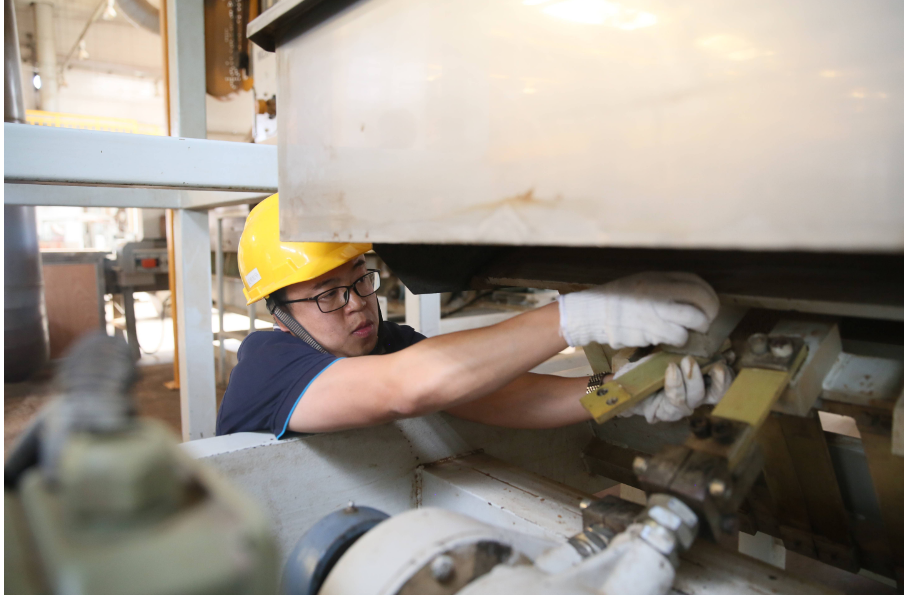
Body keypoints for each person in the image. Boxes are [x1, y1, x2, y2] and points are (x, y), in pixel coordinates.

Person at [216, 195, 733, 437]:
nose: (356, 304)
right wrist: (580, 317)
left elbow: (513, 397)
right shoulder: (267, 365)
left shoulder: (387, 343)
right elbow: (405, 387)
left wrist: (621, 391)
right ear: (281, 316)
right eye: (328, 295)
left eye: (359, 281)